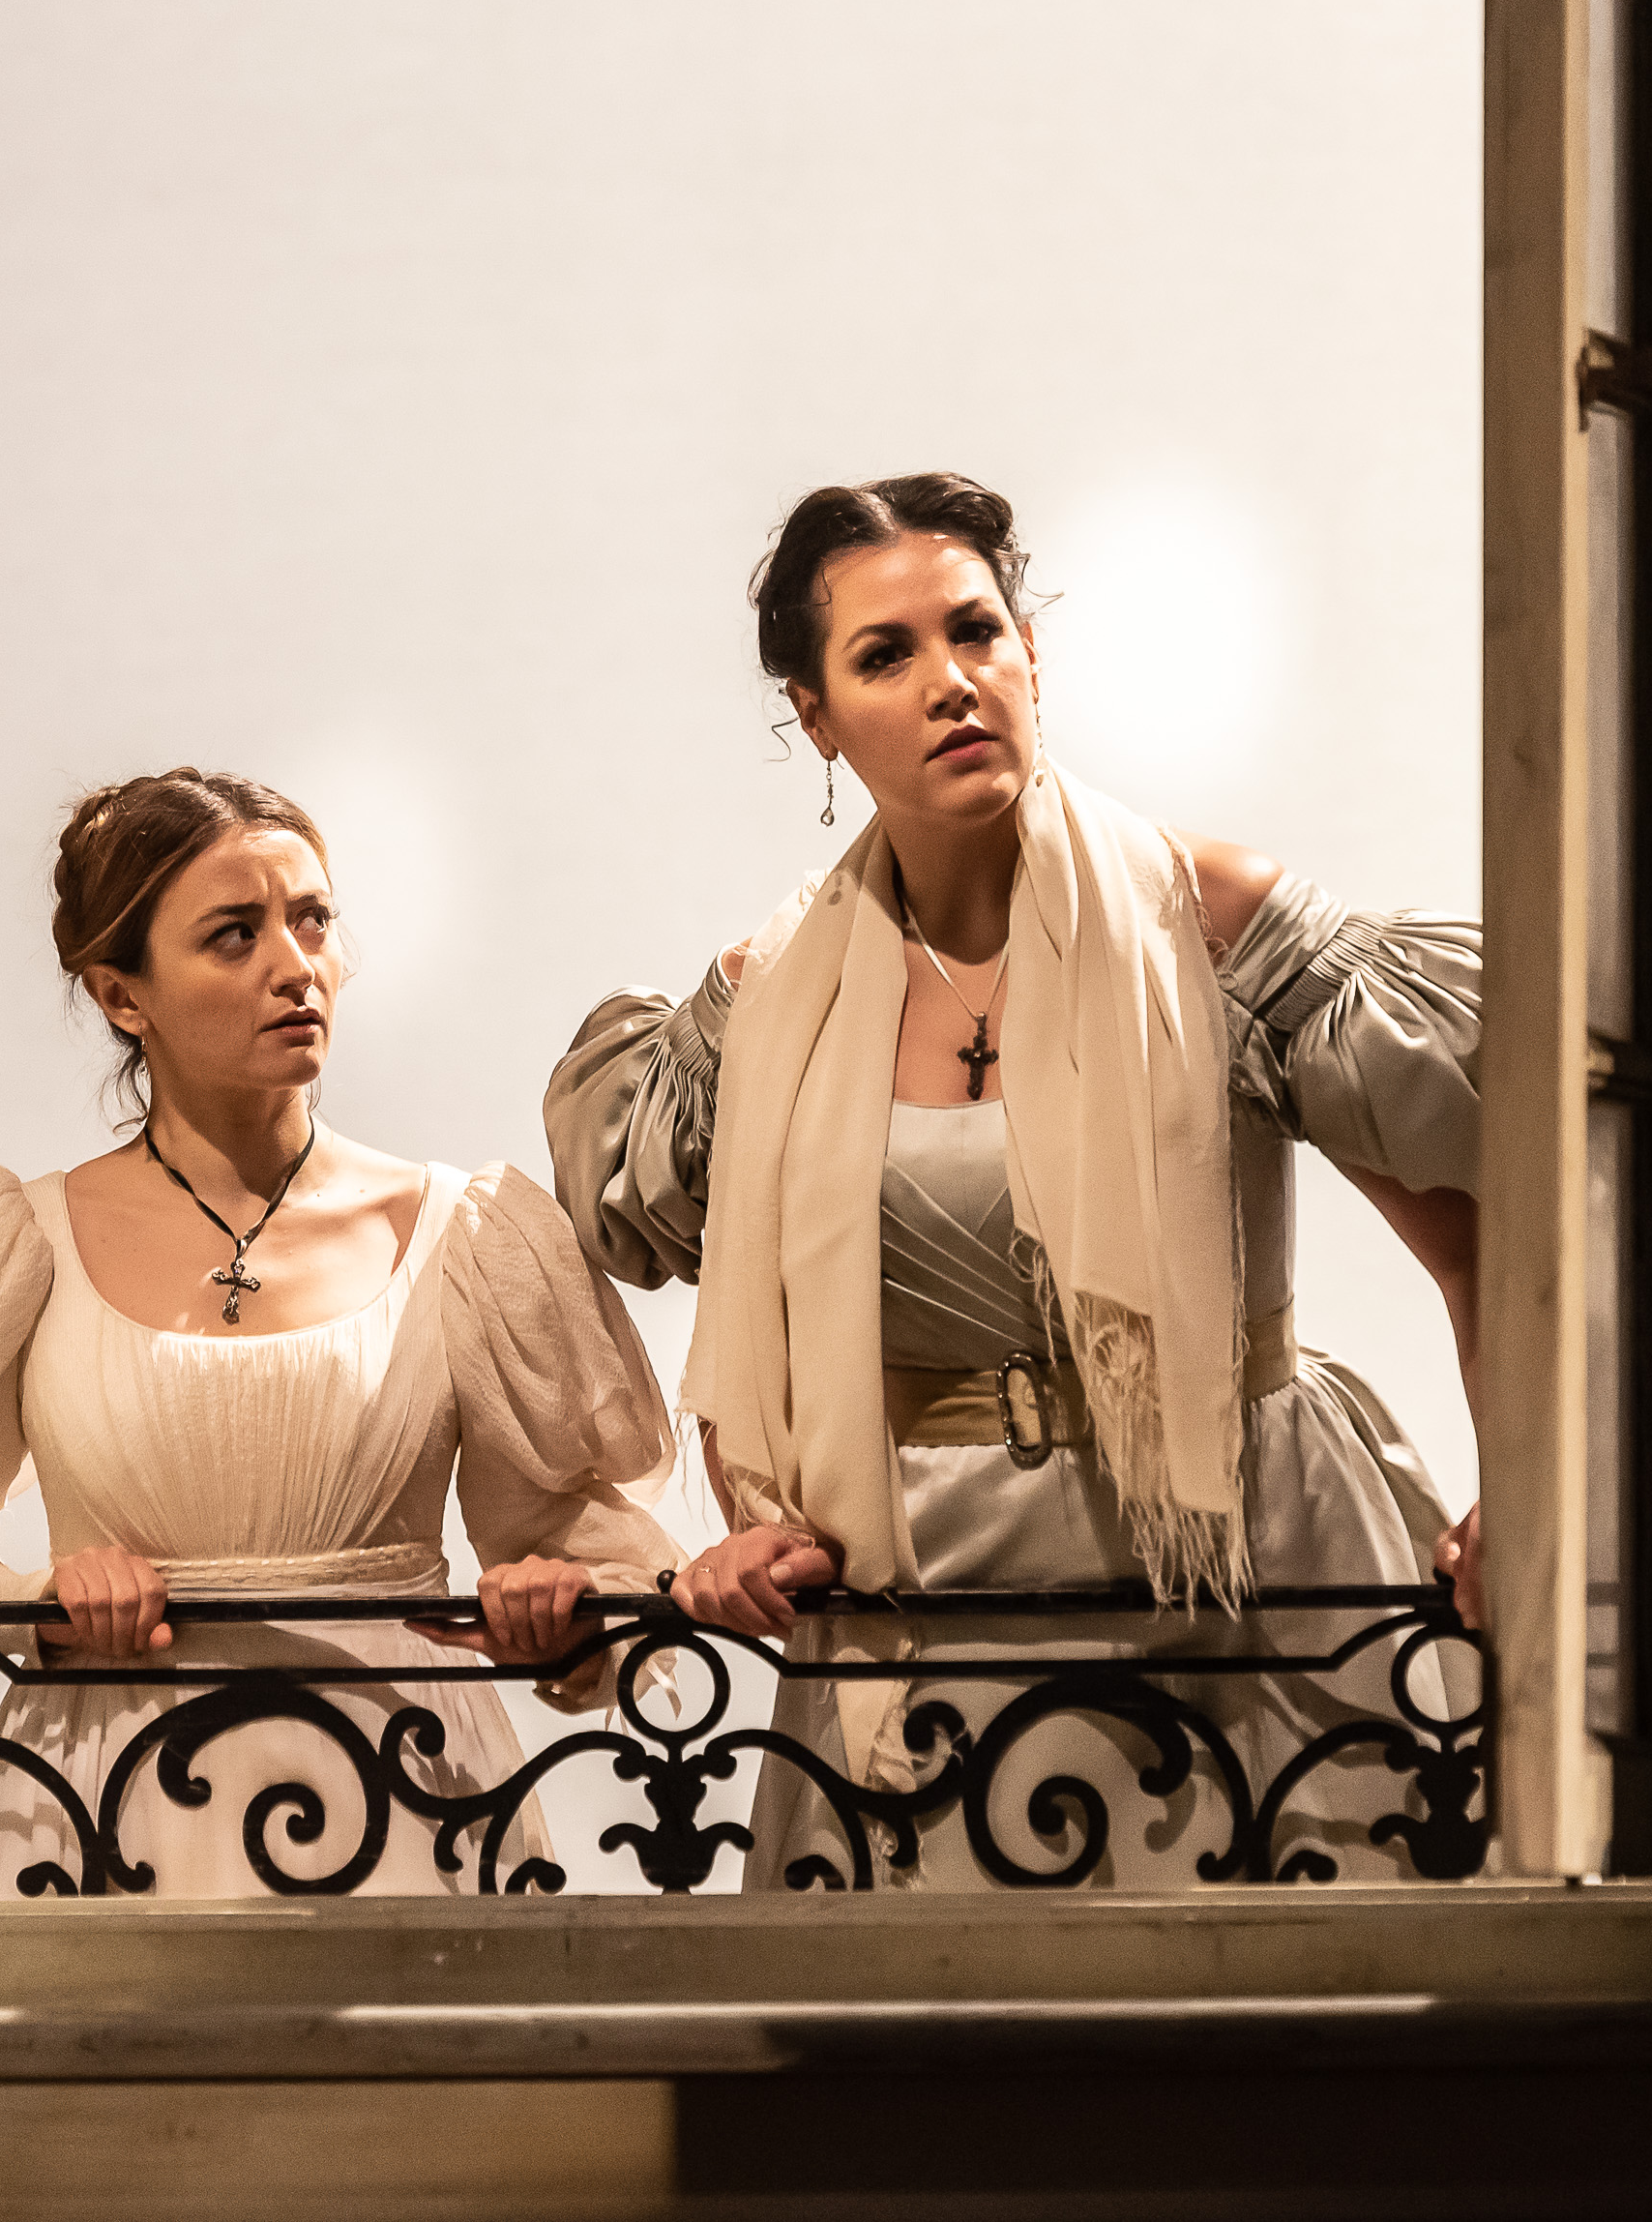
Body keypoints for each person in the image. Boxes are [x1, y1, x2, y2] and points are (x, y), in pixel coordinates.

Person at [547, 474, 1482, 1889]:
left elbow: (1479, 1240)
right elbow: (739, 1303)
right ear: (812, 716)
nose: (948, 683)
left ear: (1029, 653)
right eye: (884, 656)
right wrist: (745, 1530)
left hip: (1243, 1569)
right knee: (945, 2072)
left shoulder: (1205, 920)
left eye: (974, 632)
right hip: (934, 1600)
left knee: (1292, 2048)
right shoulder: (762, 1004)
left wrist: (1524, 1492)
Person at [0, 768, 681, 1896]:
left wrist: (557, 1619)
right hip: (102, 1795)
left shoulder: (471, 1234)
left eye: (313, 920)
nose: (295, 965)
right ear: (123, 996)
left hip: (407, 1787)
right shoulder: (20, 1240)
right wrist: (39, 1609)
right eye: (233, 934)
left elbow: (598, 1564)